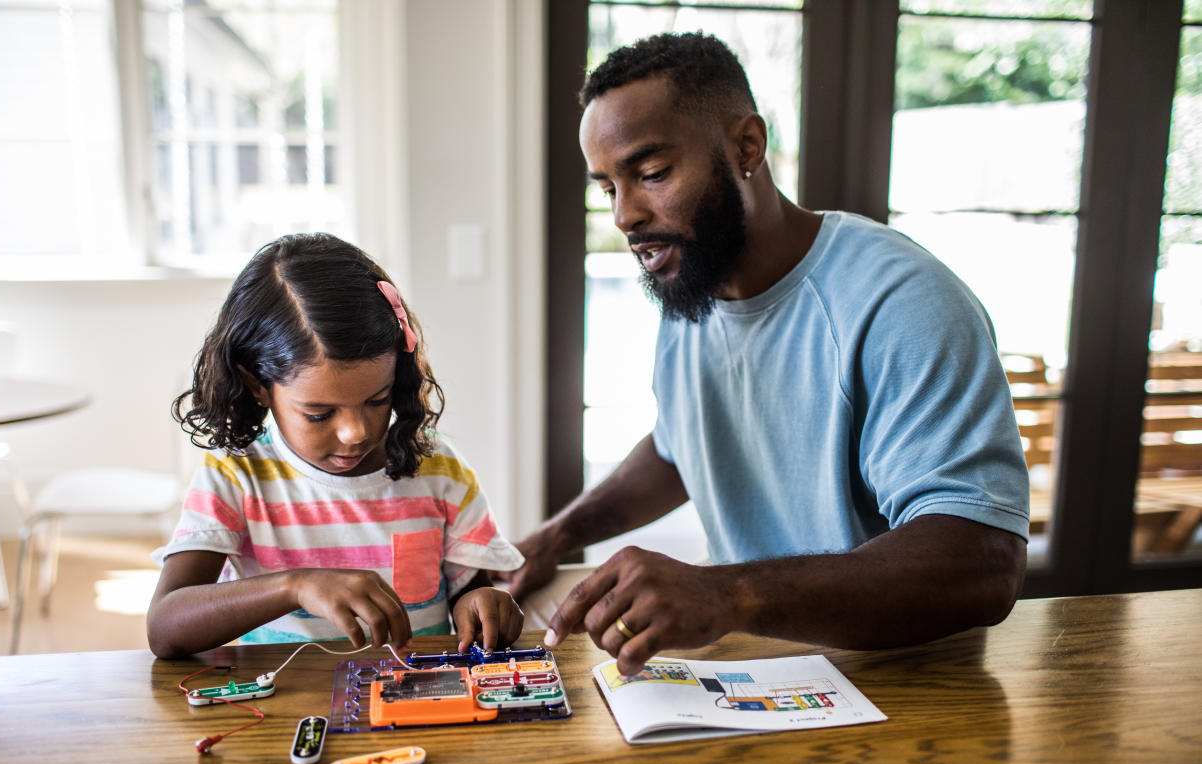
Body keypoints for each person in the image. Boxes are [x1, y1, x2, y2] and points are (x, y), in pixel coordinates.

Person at [506, 32, 1030, 675]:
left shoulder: (901, 302)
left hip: (904, 687)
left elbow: (982, 562)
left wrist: (726, 592)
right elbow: (681, 447)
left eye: (650, 174)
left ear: (746, 146)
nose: (625, 215)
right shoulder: (694, 286)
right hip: (762, 672)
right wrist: (557, 538)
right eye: (608, 187)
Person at [147, 233, 524, 659]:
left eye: (377, 401)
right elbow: (165, 628)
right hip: (286, 718)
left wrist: (484, 605)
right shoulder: (236, 476)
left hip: (416, 708)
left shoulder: (440, 471)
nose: (355, 432)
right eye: (319, 414)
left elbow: (470, 597)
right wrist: (296, 585)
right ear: (257, 386)